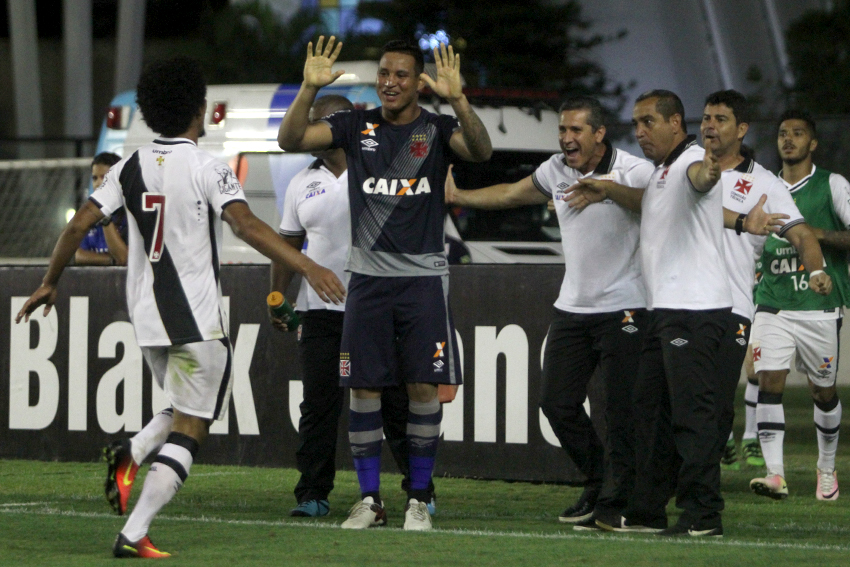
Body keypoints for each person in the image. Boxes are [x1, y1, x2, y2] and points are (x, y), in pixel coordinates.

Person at [15, 56, 345, 558]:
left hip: (148, 323)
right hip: (195, 320)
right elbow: (246, 226)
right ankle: (134, 531)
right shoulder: (208, 167)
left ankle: (132, 452)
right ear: (199, 109)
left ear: (149, 112)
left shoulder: (126, 167)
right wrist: (308, 266)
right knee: (193, 425)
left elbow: (77, 225)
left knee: (186, 405)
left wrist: (49, 282)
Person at [278, 36, 492, 530]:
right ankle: (370, 500)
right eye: (383, 73)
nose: (389, 82)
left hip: (422, 280)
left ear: (418, 82)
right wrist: (308, 89)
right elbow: (291, 140)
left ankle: (418, 498)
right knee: (364, 387)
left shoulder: (436, 128)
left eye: (400, 75)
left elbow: (481, 151)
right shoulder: (355, 125)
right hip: (367, 280)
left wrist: (459, 99)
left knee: (421, 387)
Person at [568, 90, 796, 537]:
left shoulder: (691, 161)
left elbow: (701, 180)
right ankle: (647, 512)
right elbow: (654, 203)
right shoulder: (663, 171)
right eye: (636, 123)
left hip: (695, 309)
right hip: (665, 311)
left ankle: (703, 514)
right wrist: (609, 189)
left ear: (675, 123)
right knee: (648, 412)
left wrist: (710, 172)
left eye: (648, 122)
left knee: (693, 416)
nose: (639, 132)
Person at [444, 95, 653, 531]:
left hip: (626, 306)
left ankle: (615, 502)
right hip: (572, 307)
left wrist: (608, 190)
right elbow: (510, 193)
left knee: (621, 411)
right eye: (562, 129)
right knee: (555, 402)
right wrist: (459, 195)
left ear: (599, 133)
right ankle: (599, 479)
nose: (566, 138)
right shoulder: (556, 168)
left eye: (576, 130)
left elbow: (656, 206)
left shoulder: (633, 170)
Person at [270, 94, 435, 518]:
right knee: (318, 404)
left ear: (347, 124)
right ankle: (313, 493)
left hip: (379, 303)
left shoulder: (379, 168)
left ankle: (420, 492)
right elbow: (288, 244)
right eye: (314, 122)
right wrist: (278, 296)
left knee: (396, 403)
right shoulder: (301, 181)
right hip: (319, 311)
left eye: (325, 122)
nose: (317, 130)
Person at [697, 91, 829, 478]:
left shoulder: (765, 184)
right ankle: (679, 479)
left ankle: (704, 483)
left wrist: (816, 270)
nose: (709, 126)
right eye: (706, 118)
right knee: (674, 397)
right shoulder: (685, 165)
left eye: (720, 119)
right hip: (676, 303)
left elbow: (801, 234)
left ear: (741, 129)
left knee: (716, 400)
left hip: (730, 305)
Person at [749, 109, 850, 501]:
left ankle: (826, 467)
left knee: (822, 391)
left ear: (813, 142)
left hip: (818, 305)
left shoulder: (831, 185)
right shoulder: (764, 187)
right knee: (768, 381)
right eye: (782, 133)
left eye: (797, 133)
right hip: (773, 302)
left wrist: (816, 234)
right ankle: (776, 474)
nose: (788, 139)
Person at [75, 152, 128, 266]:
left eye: (104, 177)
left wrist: (105, 217)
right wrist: (110, 260)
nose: (98, 183)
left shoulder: (130, 215)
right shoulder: (90, 215)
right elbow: (79, 255)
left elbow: (124, 258)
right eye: (95, 178)